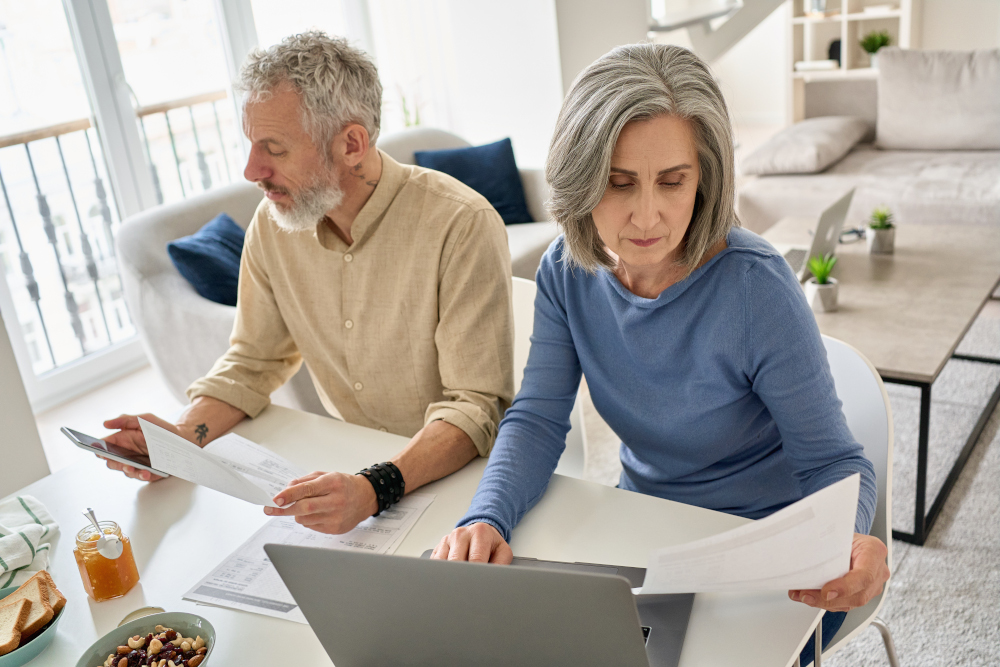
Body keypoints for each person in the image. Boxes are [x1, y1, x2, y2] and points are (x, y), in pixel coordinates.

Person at [431, 43, 889, 659]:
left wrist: (852, 539)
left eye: (672, 182)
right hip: (645, 530)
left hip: (767, 551)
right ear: (580, 177)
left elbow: (834, 464)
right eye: (618, 184)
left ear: (704, 178)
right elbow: (538, 419)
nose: (647, 215)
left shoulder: (756, 287)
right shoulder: (567, 272)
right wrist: (485, 516)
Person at [101, 31, 514, 535]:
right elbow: (253, 361)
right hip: (348, 474)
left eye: (273, 148)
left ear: (351, 144)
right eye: (251, 144)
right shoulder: (272, 226)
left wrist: (374, 486)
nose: (251, 170)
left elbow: (475, 407)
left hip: (454, 482)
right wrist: (184, 436)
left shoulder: (461, 223)